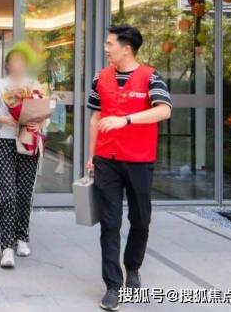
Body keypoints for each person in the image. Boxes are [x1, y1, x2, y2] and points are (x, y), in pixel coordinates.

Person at [86, 25, 172, 311]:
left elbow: (164, 110)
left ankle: (132, 266)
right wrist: (91, 155)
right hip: (106, 159)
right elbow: (96, 117)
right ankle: (113, 285)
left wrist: (127, 119)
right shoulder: (100, 77)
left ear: (126, 49)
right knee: (109, 224)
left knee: (140, 220)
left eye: (109, 44)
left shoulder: (151, 76)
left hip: (139, 160)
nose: (106, 48)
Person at [0, 44, 44, 268]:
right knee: (7, 194)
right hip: (6, 142)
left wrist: (39, 122)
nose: (17, 64)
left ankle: (22, 237)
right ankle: (7, 246)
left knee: (24, 193)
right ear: (8, 64)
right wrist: (5, 120)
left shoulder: (34, 85)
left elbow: (43, 113)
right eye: (14, 61)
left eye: (21, 61)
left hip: (28, 142)